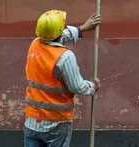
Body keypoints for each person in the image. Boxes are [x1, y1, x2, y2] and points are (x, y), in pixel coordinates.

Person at [23, 9, 102, 147]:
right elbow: (77, 87)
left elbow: (56, 37)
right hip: (56, 123)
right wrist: (93, 86)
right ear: (59, 32)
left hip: (33, 121)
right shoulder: (65, 57)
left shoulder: (34, 45)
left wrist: (81, 29)